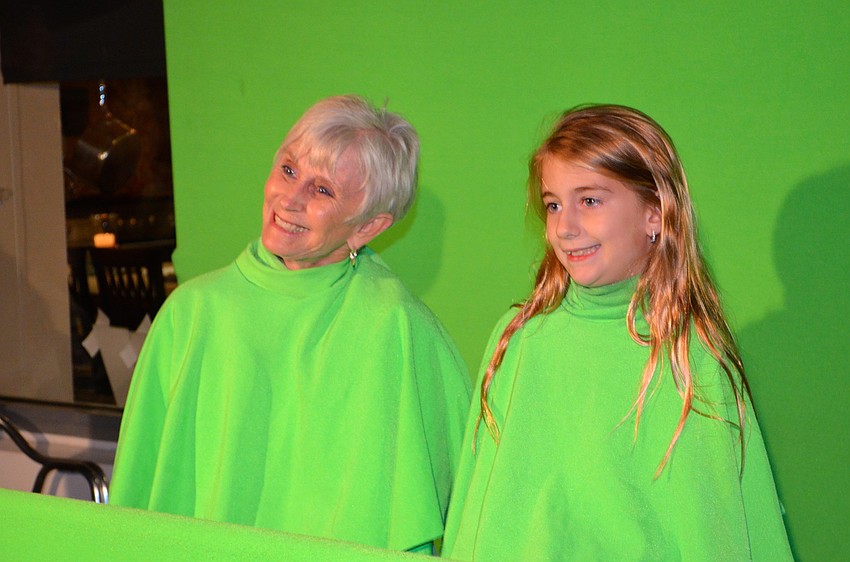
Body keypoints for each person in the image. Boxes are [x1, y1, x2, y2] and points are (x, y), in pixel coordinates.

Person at [109, 94, 471, 554]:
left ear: (367, 227)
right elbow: (136, 494)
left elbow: (473, 502)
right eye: (288, 169)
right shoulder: (192, 313)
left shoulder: (398, 329)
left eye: (323, 191)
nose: (290, 199)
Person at [441, 104, 793, 560]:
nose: (565, 228)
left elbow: (716, 530)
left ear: (654, 213)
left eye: (589, 200)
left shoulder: (690, 357)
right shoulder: (522, 341)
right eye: (553, 205)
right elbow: (481, 515)